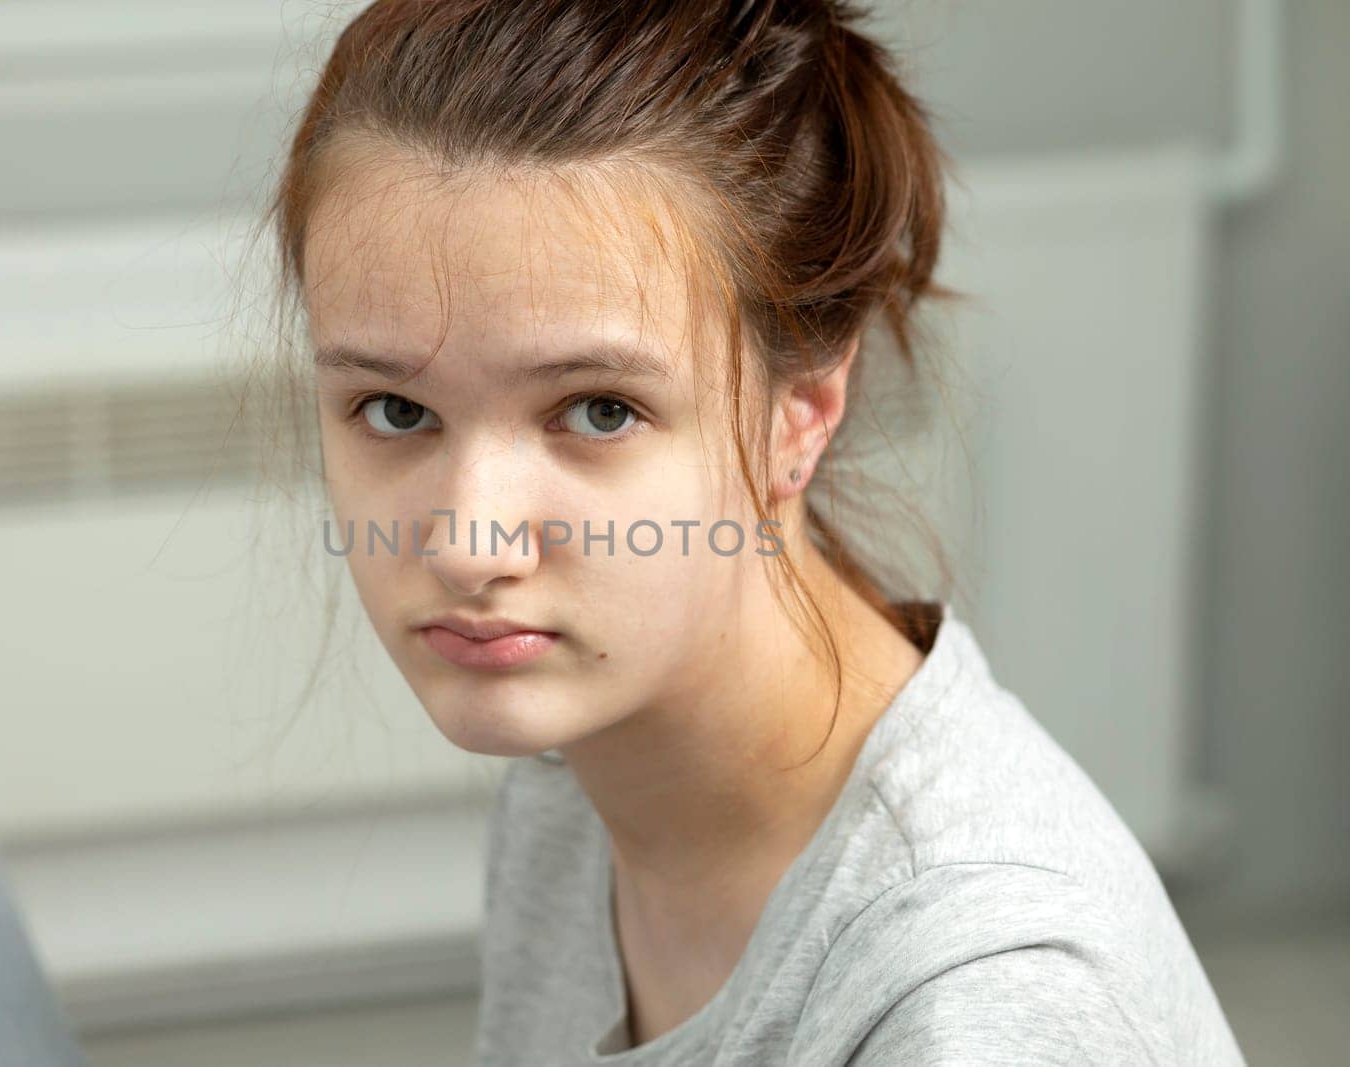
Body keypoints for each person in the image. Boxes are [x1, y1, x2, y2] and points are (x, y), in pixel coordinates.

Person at [261, 0, 1244, 1062]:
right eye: (396, 411)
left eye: (599, 410)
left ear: (801, 412)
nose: (464, 545)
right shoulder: (571, 778)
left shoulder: (980, 1001)